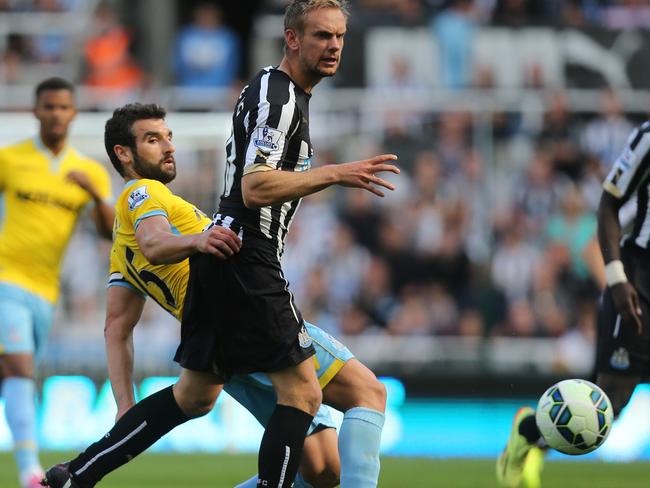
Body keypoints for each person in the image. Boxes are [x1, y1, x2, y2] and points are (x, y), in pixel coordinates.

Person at [43, 2, 397, 481]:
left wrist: (126, 405)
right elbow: (253, 188)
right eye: (321, 36)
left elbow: (117, 322)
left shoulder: (273, 95)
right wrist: (336, 173)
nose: (333, 45)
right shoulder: (275, 97)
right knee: (336, 395)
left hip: (220, 273)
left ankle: (78, 473)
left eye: (339, 36)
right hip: (245, 257)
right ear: (292, 38)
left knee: (198, 399)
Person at [496, 121, 650, 488]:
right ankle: (529, 430)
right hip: (639, 282)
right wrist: (616, 282)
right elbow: (609, 206)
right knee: (609, 406)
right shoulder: (648, 138)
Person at [0, 77, 113, 488]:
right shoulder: (9, 159)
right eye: (48, 107)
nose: (55, 114)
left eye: (62, 107)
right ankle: (29, 471)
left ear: (73, 113)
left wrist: (96, 198)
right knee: (19, 368)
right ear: (35, 111)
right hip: (5, 279)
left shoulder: (87, 172)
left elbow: (108, 232)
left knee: (11, 374)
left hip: (46, 291)